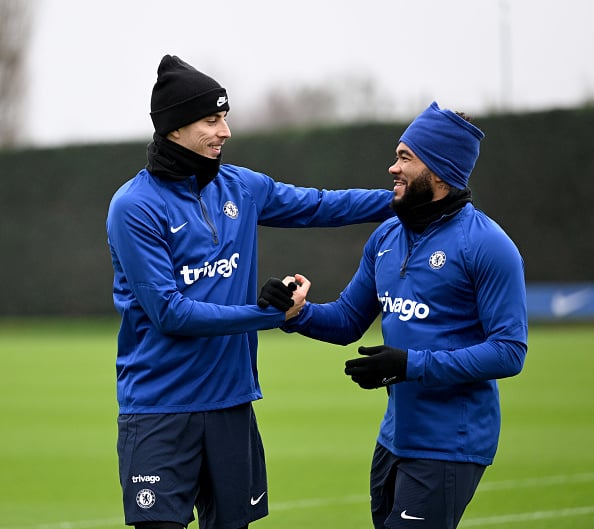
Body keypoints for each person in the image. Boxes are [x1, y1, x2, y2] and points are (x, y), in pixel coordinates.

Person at [105, 54, 393, 529]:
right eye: (211, 119)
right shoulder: (134, 207)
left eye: (226, 118)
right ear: (175, 127)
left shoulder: (243, 187)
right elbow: (170, 313)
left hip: (231, 406)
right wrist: (270, 315)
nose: (226, 131)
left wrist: (401, 202)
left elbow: (321, 204)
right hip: (159, 410)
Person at [282, 101, 528, 529]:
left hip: (451, 443)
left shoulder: (488, 245)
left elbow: (509, 352)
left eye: (404, 158)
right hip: (393, 439)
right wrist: (296, 313)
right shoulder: (386, 235)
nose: (393, 168)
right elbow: (345, 320)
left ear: (438, 171)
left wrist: (410, 364)